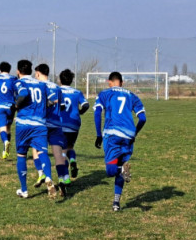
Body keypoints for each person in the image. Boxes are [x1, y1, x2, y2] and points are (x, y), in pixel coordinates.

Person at [94, 71, 147, 211]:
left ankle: (122, 169)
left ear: (109, 82)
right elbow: (143, 118)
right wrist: (134, 133)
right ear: (122, 83)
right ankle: (116, 202)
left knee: (111, 170)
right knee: (121, 169)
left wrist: (99, 135)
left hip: (112, 134)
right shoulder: (132, 95)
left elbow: (97, 112)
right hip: (128, 136)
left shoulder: (105, 94)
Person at [13, 60, 57, 199]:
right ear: (32, 71)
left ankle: (24, 190)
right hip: (40, 124)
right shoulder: (42, 84)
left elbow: (24, 94)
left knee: (21, 155)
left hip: (24, 124)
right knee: (42, 151)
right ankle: (48, 177)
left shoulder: (19, 83)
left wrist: (16, 106)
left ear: (18, 71)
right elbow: (51, 101)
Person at [34, 64, 70, 196]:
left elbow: (37, 105)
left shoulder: (38, 86)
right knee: (58, 154)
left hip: (41, 124)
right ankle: (61, 179)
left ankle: (42, 174)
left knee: (37, 150)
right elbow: (61, 107)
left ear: (38, 73)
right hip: (56, 124)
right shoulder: (57, 87)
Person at [58, 69, 89, 179]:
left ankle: (65, 177)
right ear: (71, 81)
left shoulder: (57, 91)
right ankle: (72, 160)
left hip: (61, 123)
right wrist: (80, 112)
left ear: (60, 80)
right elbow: (86, 105)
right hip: (74, 123)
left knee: (61, 152)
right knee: (70, 147)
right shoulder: (77, 92)